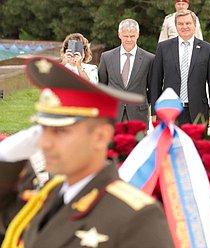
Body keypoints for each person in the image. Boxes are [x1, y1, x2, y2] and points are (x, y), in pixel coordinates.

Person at [0, 57, 173, 247]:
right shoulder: (47, 196)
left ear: (100, 136)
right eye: (43, 129)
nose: (45, 143)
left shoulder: (137, 218)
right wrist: (6, 157)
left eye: (60, 131)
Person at [151, 10, 210, 125]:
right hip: (169, 111)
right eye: (180, 24)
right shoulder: (163, 48)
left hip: (198, 112)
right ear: (176, 26)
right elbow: (156, 81)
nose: (184, 27)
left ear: (195, 25)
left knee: (196, 144)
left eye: (188, 23)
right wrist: (154, 111)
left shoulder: (208, 49)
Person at [98, 18, 154, 125]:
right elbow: (102, 86)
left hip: (138, 115)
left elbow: (152, 89)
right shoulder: (107, 57)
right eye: (125, 36)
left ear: (138, 35)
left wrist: (141, 102)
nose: (129, 39)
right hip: (113, 114)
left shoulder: (149, 59)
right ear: (119, 35)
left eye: (132, 36)